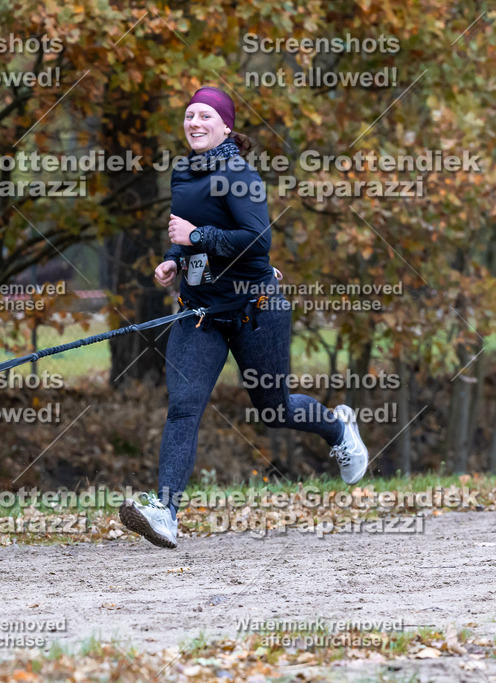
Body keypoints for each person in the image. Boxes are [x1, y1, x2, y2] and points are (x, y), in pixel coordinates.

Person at [118, 86, 368, 549]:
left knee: (274, 408)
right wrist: (175, 255)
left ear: (226, 126)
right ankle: (166, 514)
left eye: (205, 116)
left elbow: (258, 243)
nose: (194, 122)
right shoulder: (183, 170)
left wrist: (198, 234)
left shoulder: (238, 173)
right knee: (183, 408)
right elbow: (187, 232)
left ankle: (338, 428)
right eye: (189, 114)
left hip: (257, 310)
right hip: (200, 314)